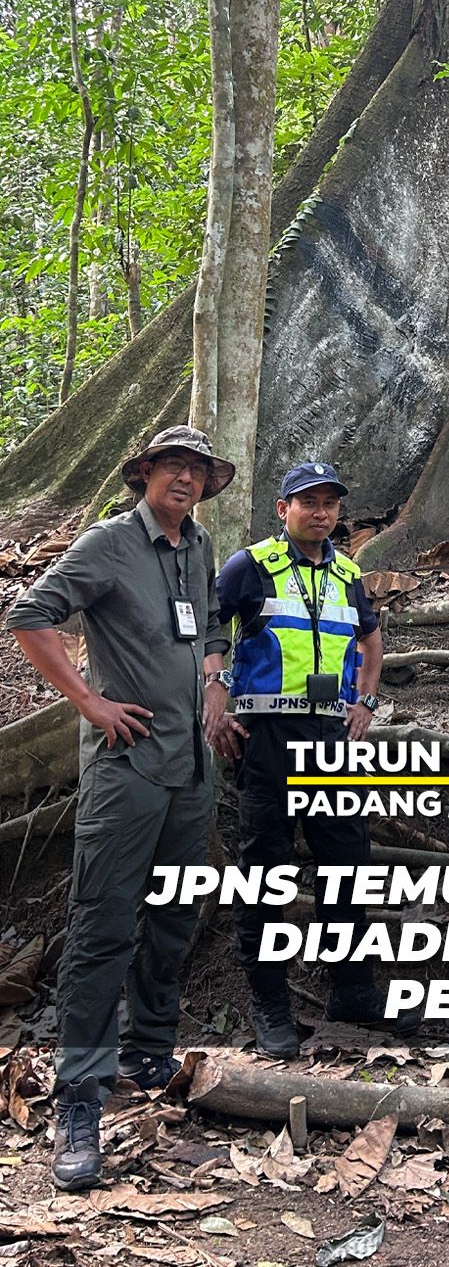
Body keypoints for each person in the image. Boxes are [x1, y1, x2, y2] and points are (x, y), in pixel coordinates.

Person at [8, 424, 234, 1191]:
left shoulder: (198, 546)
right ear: (145, 474)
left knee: (175, 913)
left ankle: (148, 1047)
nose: (186, 479)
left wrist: (212, 687)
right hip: (126, 766)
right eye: (174, 465)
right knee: (103, 927)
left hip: (190, 766)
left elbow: (204, 630)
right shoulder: (109, 543)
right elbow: (30, 619)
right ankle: (79, 1100)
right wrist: (89, 703)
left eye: (198, 470)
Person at [214, 462, 418, 1057]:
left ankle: (353, 991)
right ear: (284, 509)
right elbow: (208, 629)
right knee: (265, 870)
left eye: (330, 502)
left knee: (345, 863)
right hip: (268, 736)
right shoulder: (248, 566)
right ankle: (268, 1002)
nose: (321, 511)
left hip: (331, 738)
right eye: (309, 501)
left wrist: (367, 701)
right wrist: (215, 698)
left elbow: (370, 637)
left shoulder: (349, 572)